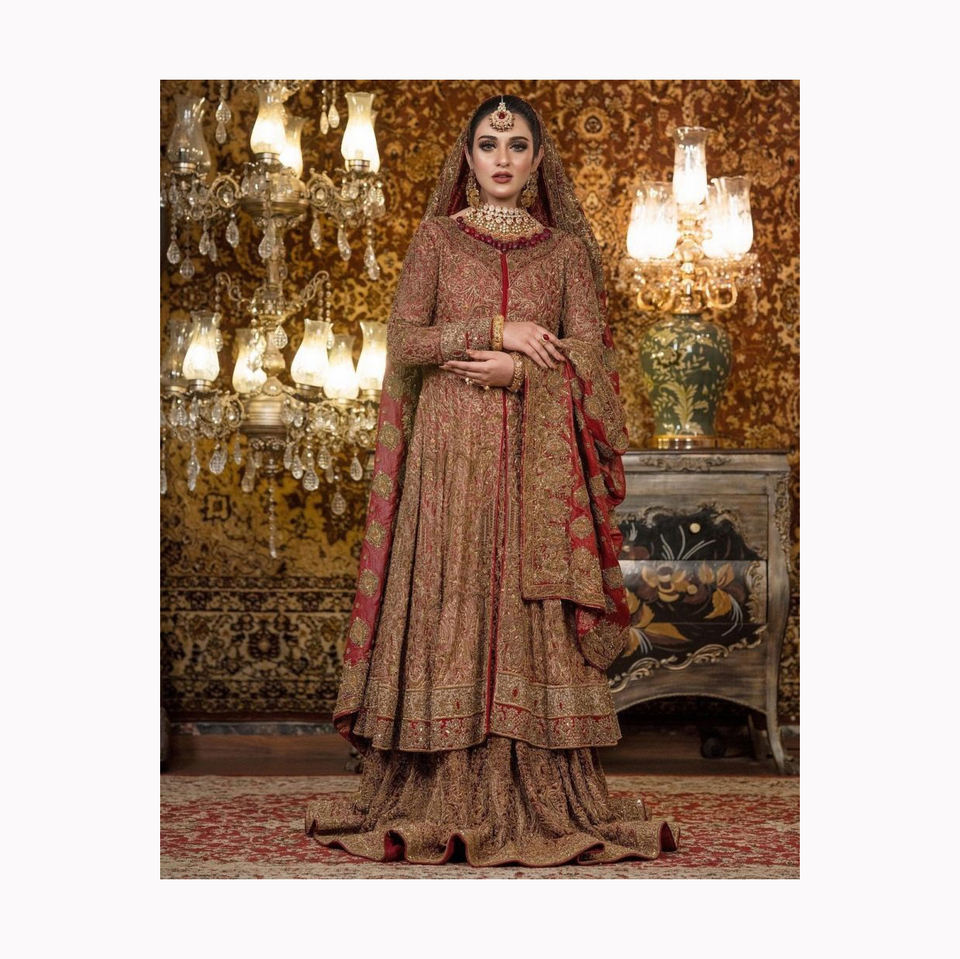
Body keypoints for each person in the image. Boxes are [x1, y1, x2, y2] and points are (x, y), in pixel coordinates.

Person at [305, 94, 679, 867]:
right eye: (487, 143)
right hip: (448, 457)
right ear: (468, 158)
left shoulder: (564, 253)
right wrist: (494, 330)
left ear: (538, 159)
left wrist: (523, 372)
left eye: (515, 145)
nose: (501, 157)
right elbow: (404, 340)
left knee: (523, 602)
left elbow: (594, 366)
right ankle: (436, 782)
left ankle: (538, 785)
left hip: (538, 469)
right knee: (454, 594)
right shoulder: (437, 239)